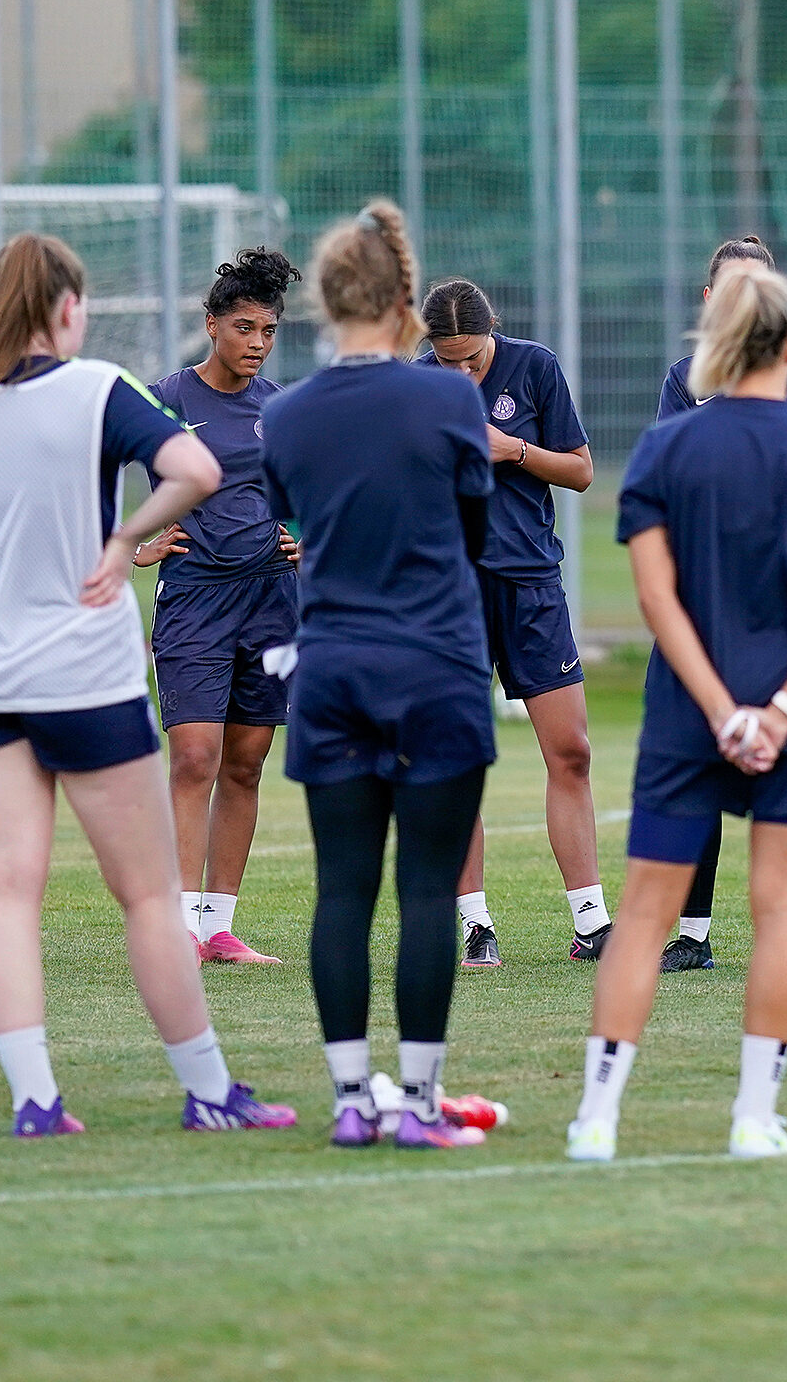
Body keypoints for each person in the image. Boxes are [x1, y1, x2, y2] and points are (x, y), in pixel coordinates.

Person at [0, 233, 293, 1139]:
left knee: (9, 892)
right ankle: (209, 1092)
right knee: (151, 894)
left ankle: (36, 1100)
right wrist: (122, 543)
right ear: (68, 310)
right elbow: (194, 471)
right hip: (85, 672)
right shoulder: (98, 388)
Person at [568, 264, 787, 1162]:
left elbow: (656, 598)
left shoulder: (666, 449)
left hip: (684, 712)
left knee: (644, 912)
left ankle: (597, 1118)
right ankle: (753, 1117)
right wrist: (781, 710)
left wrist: (717, 707)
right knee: (782, 912)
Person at [265, 206, 506, 1148]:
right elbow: (475, 529)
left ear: (322, 303)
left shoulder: (284, 414)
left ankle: (351, 1101)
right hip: (435, 665)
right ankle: (415, 1100)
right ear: (404, 299)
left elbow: (301, 514)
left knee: (342, 891)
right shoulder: (449, 399)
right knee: (426, 889)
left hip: (332, 670)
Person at [651, 234, 787, 972]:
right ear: (709, 301)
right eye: (733, 288)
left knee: (785, 786)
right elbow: (670, 497)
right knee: (693, 773)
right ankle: (690, 932)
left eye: (760, 288)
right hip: (704, 615)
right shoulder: (680, 377)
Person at [418, 277, 606, 967]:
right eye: (448, 362)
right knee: (456, 759)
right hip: (449, 594)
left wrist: (512, 450)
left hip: (530, 586)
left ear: (493, 334)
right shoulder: (414, 386)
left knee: (572, 752)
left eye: (472, 360)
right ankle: (475, 925)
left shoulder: (535, 368)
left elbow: (582, 472)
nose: (462, 373)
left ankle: (592, 923)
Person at [138, 249, 304, 967]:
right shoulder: (164, 400)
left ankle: (217, 928)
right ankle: (175, 926)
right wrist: (133, 544)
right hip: (196, 599)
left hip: (272, 599)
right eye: (244, 328)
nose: (257, 343)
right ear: (211, 326)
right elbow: (81, 467)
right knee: (194, 757)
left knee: (245, 761)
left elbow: (308, 497)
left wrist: (306, 539)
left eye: (268, 331)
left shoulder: (282, 408)